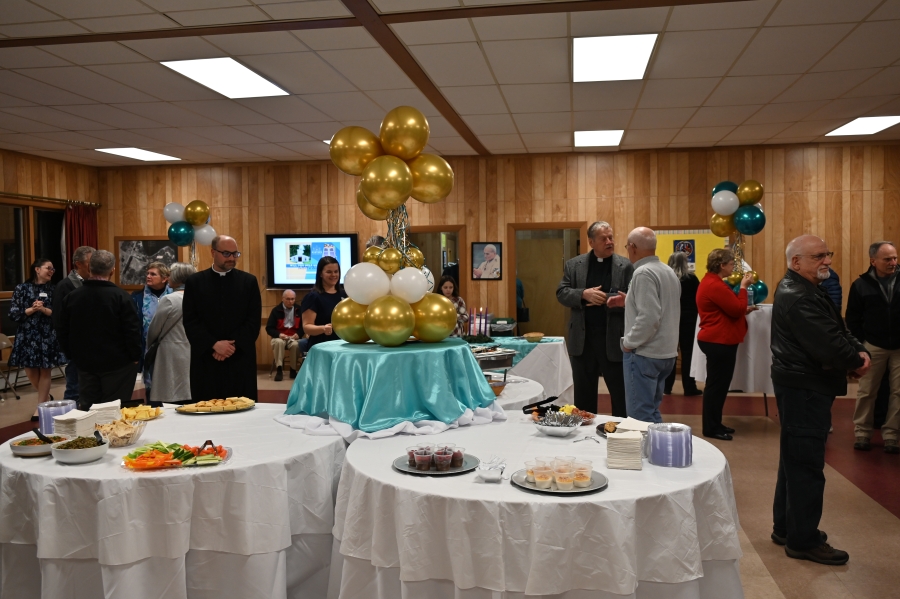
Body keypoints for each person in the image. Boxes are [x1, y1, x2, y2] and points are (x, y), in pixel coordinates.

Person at [770, 235, 869, 565]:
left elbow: (838, 328)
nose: (826, 261)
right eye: (818, 257)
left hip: (805, 386)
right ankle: (803, 540)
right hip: (805, 389)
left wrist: (857, 350)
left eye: (827, 254)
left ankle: (787, 527)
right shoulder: (798, 295)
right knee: (806, 465)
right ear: (796, 262)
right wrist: (857, 361)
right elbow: (827, 344)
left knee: (794, 459)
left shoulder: (809, 289)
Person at [556, 222, 633, 416]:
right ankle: (584, 436)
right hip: (583, 341)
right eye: (604, 238)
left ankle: (620, 433)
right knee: (583, 397)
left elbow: (632, 296)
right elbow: (561, 292)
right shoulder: (574, 265)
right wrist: (583, 294)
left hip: (613, 339)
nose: (610, 242)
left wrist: (604, 298)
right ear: (591, 242)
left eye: (611, 237)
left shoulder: (625, 266)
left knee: (620, 393)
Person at [57, 250, 142, 409]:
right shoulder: (121, 297)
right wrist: (135, 355)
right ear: (112, 271)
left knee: (88, 406)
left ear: (89, 269)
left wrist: (71, 354)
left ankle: (90, 433)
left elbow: (62, 329)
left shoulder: (72, 297)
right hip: (118, 363)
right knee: (115, 408)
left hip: (85, 363)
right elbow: (132, 330)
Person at [183, 235, 262, 401]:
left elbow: (253, 321)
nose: (232, 258)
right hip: (206, 359)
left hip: (239, 358)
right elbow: (191, 321)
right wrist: (213, 344)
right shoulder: (195, 282)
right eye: (226, 253)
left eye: (235, 254)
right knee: (207, 409)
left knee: (242, 410)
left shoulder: (248, 282)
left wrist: (231, 346)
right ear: (213, 252)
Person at [619, 227, 680, 423]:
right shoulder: (667, 271)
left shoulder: (643, 273)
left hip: (645, 353)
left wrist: (628, 343)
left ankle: (646, 454)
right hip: (666, 353)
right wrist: (629, 301)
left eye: (627, 246)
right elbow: (663, 306)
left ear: (633, 247)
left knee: (639, 417)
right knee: (651, 411)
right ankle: (657, 451)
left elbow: (650, 318)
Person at [695, 249, 755, 440]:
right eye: (730, 264)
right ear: (722, 265)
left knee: (718, 386)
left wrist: (743, 308)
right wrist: (744, 287)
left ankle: (715, 423)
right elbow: (736, 309)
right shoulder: (715, 285)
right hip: (719, 340)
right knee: (716, 387)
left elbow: (727, 310)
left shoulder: (712, 282)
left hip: (717, 339)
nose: (733, 268)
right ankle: (711, 428)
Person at [846, 241, 899, 453]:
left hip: (899, 347)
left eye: (895, 258)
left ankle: (892, 435)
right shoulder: (860, 285)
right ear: (873, 261)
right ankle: (862, 433)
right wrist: (861, 345)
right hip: (873, 346)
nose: (893, 262)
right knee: (867, 391)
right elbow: (853, 318)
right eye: (887, 259)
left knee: (898, 392)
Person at [8, 258, 66, 416]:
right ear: (37, 269)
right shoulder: (22, 288)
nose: (51, 271)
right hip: (27, 334)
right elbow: (13, 314)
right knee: (30, 370)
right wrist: (32, 309)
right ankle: (46, 398)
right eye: (48, 268)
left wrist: (43, 309)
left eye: (53, 269)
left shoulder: (54, 289)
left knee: (45, 370)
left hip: (47, 334)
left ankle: (40, 408)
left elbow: (58, 313)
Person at [145, 262, 196, 402]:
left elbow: (154, 329)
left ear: (177, 277)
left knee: (169, 395)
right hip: (193, 349)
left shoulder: (169, 300)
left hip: (170, 352)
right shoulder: (199, 297)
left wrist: (149, 345)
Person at [53, 245, 94, 401]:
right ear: (78, 264)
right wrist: (69, 349)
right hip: (75, 348)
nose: (94, 266)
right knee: (74, 390)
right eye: (91, 262)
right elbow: (59, 321)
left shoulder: (93, 284)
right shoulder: (64, 286)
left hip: (93, 348)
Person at [664, 252, 701, 396]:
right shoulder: (692, 278)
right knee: (688, 354)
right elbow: (698, 299)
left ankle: (666, 387)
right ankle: (689, 387)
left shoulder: (666, 278)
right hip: (689, 319)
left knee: (670, 353)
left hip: (670, 318)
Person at [131, 262, 171, 388]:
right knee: (151, 388)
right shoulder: (137, 297)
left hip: (170, 347)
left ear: (164, 278)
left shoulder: (174, 296)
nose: (148, 276)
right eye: (147, 273)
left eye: (153, 274)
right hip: (147, 347)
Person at [301, 256, 348, 351]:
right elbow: (307, 327)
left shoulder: (345, 294)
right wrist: (323, 328)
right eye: (329, 272)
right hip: (322, 347)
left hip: (342, 346)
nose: (333, 275)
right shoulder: (313, 297)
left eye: (336, 271)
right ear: (320, 274)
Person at [266, 289, 306, 381]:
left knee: (296, 344)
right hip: (279, 337)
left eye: (292, 299)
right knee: (279, 342)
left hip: (293, 337)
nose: (290, 301)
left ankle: (293, 370)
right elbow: (269, 328)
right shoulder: (276, 310)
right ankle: (279, 370)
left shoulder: (299, 310)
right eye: (288, 299)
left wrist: (298, 334)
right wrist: (279, 335)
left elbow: (303, 327)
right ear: (283, 299)